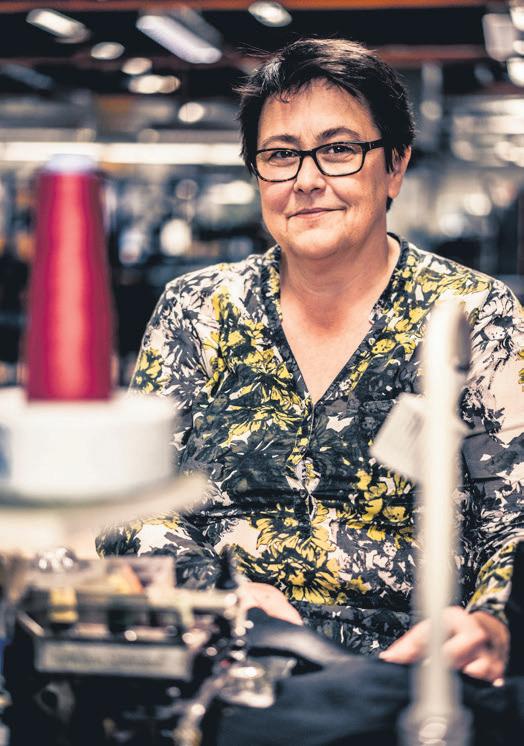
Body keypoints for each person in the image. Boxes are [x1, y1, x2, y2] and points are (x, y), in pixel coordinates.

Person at [98, 38, 523, 683]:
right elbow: (130, 501)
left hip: (408, 671)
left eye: (339, 150)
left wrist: (492, 621)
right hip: (223, 658)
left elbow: (514, 520)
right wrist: (219, 592)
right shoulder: (200, 309)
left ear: (395, 167)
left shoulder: (470, 315)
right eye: (280, 155)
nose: (306, 179)